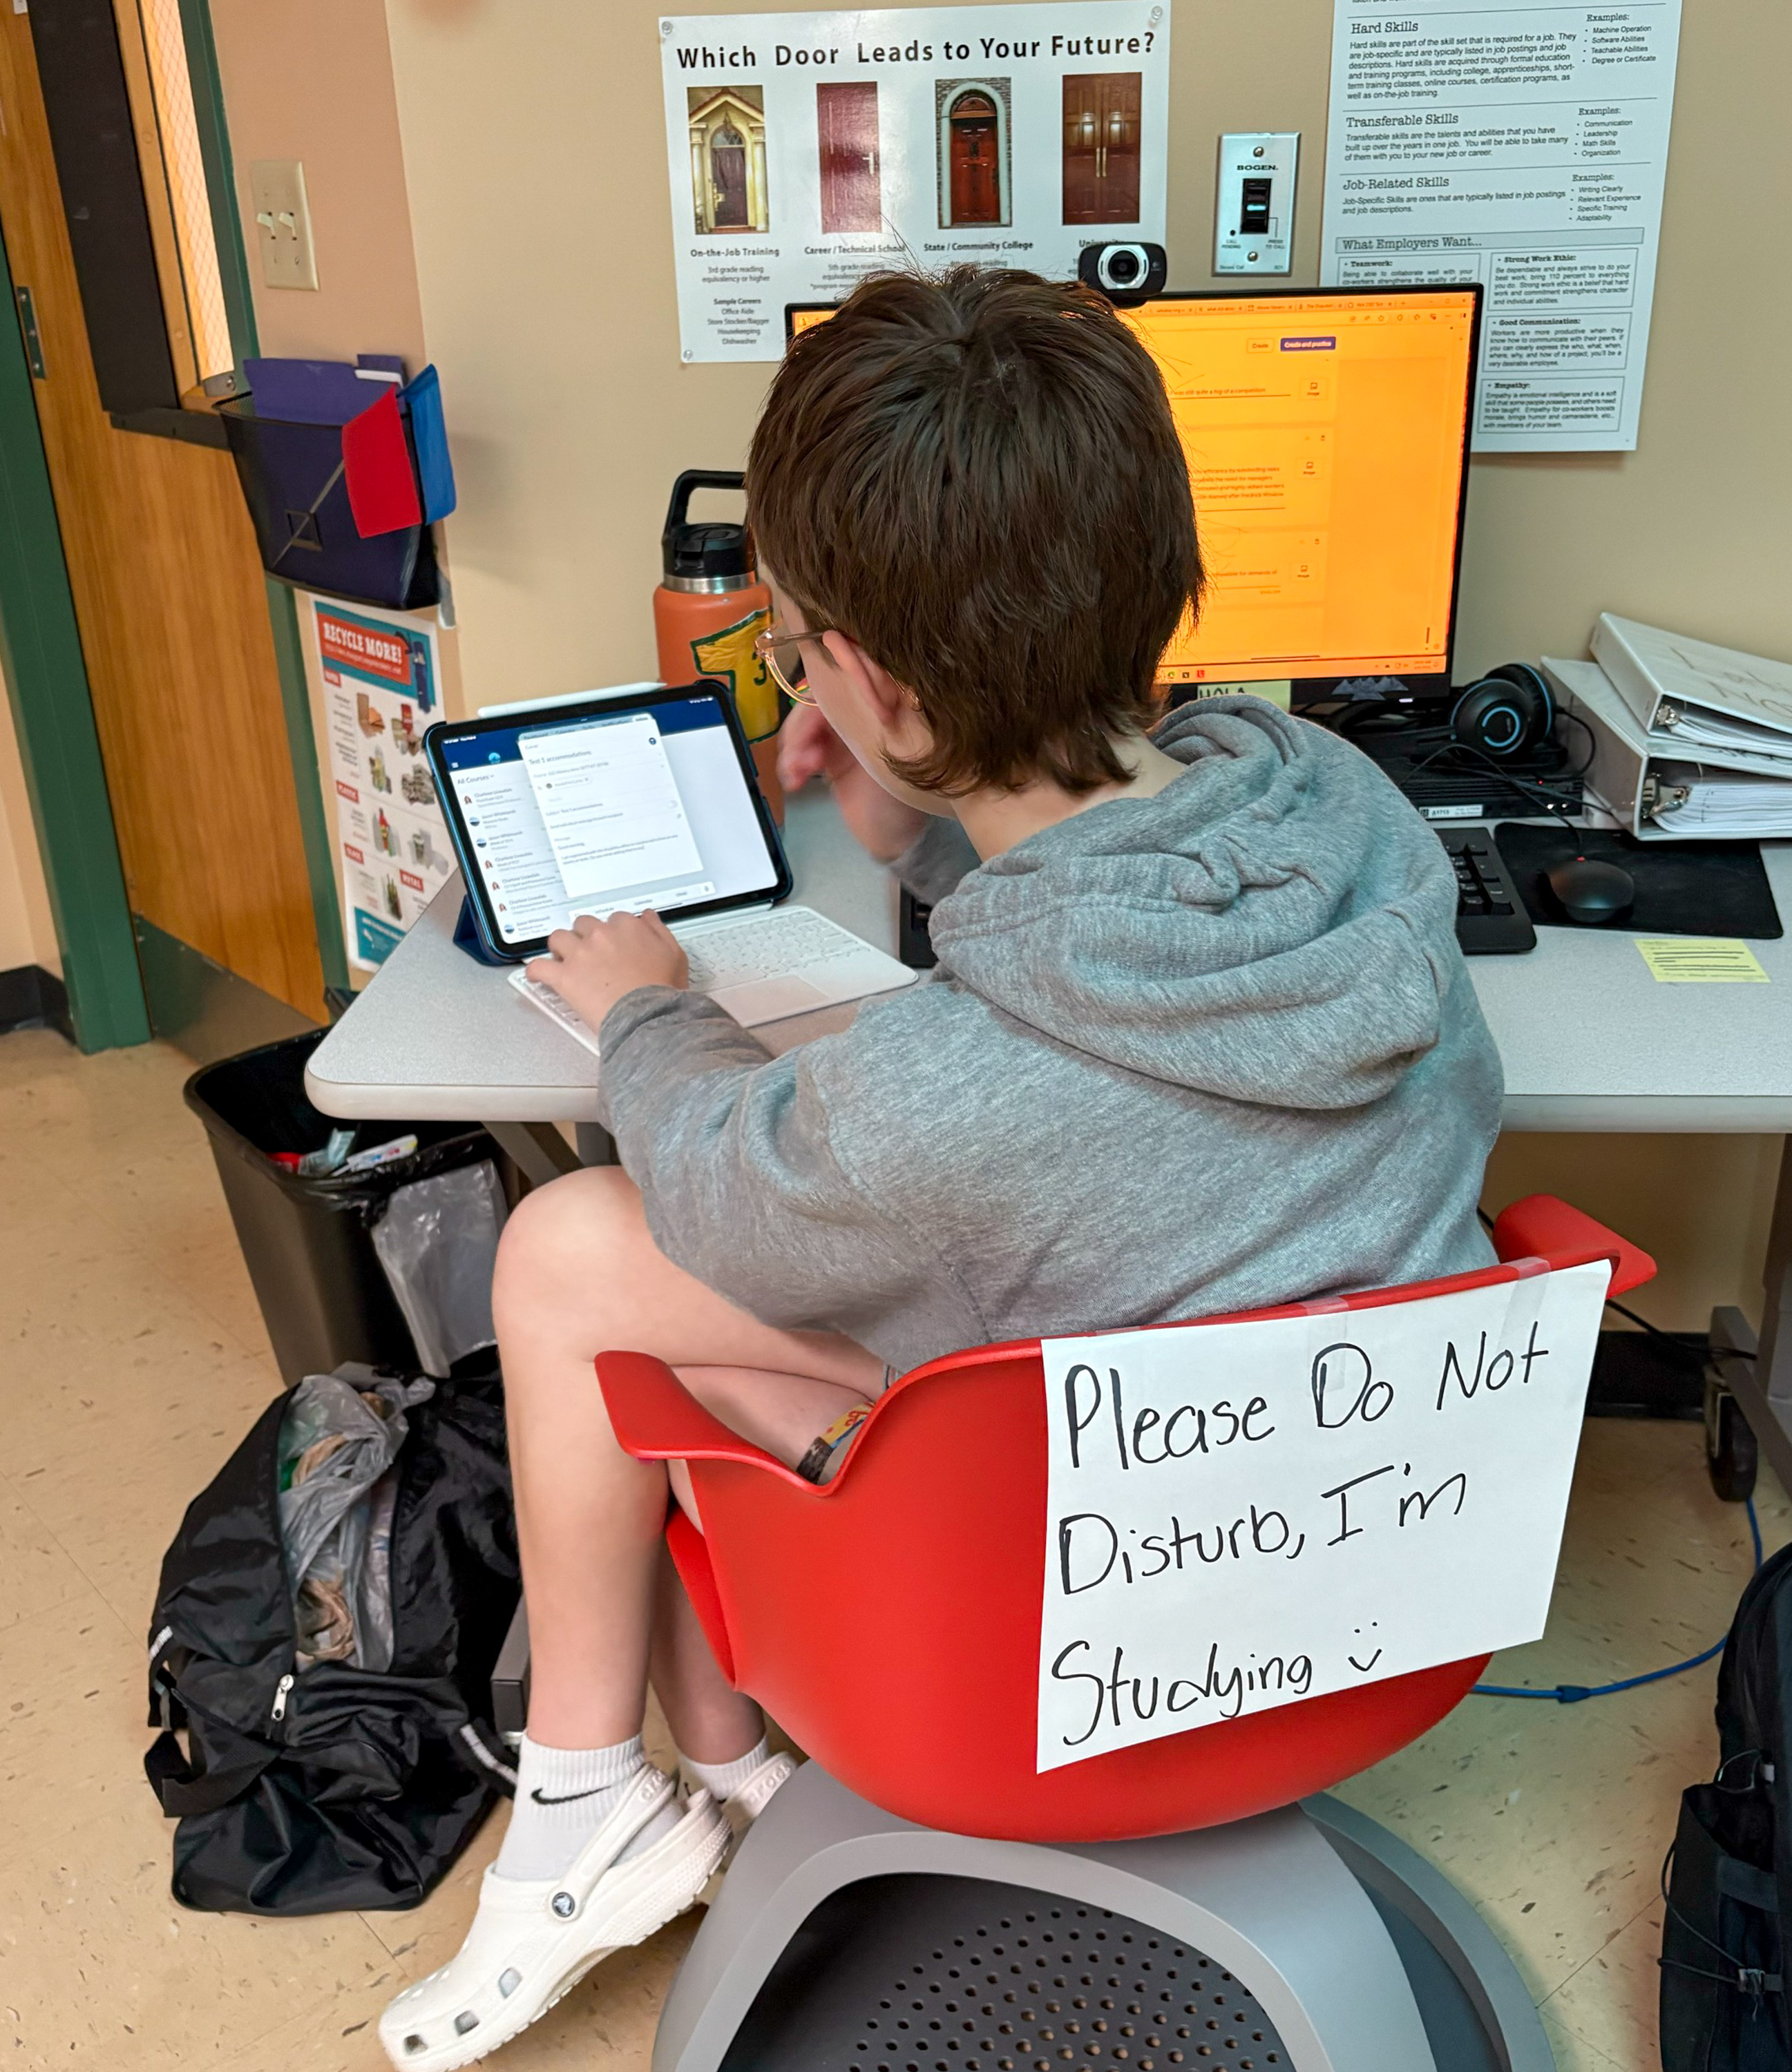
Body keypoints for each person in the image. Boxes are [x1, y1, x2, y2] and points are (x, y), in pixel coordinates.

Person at [376, 267, 1503, 2070]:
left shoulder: (944, 1103)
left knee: (579, 1257)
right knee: (688, 1290)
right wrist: (908, 795)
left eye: (803, 646)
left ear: (876, 685)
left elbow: (734, 1195)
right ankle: (718, 1765)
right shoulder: (1336, 803)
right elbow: (1093, 1006)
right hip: (1374, 1554)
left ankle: (600, 1793)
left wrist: (655, 1008)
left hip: (1088, 1602)